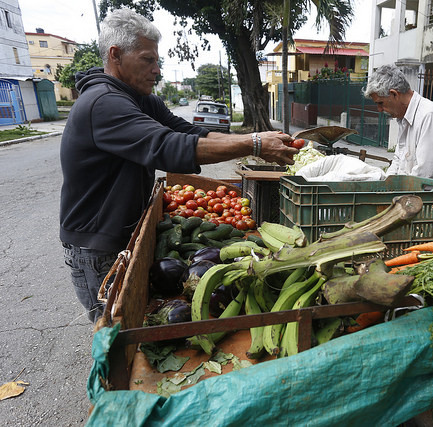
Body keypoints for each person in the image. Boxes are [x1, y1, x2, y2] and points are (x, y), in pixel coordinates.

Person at [59, 8, 297, 323]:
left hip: (124, 238)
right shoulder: (103, 104)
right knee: (117, 342)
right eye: (148, 60)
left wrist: (255, 138)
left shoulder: (140, 100)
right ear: (115, 55)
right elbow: (168, 147)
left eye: (157, 61)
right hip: (98, 251)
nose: (157, 70)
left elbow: (190, 133)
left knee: (132, 331)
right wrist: (254, 145)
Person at [364, 64, 433, 209]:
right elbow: (398, 161)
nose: (379, 109)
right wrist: (386, 187)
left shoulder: (430, 115)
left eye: (380, 103)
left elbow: (425, 174)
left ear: (394, 94)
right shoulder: (403, 118)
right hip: (417, 200)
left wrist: (395, 199)